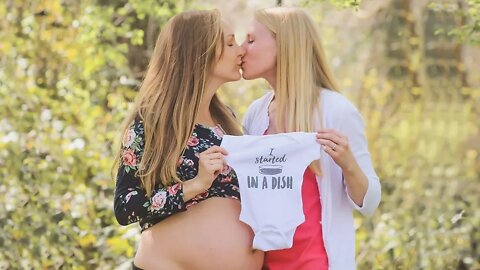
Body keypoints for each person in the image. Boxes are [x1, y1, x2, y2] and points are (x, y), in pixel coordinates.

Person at [113, 10, 263, 270]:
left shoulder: (226, 121)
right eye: (229, 43)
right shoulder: (151, 123)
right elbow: (125, 206)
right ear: (198, 53)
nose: (240, 50)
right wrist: (195, 185)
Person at [240, 7, 381, 270]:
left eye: (250, 39)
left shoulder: (336, 110)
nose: (241, 49)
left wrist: (348, 165)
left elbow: (370, 203)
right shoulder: (255, 114)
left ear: (284, 44)